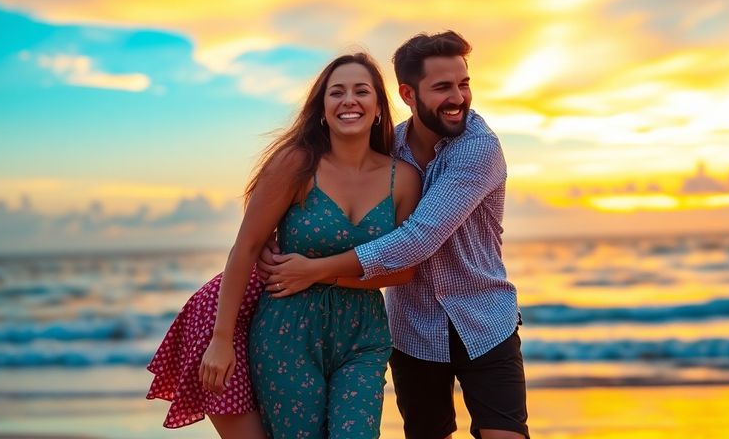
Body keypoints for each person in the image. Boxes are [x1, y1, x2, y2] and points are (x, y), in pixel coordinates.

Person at [259, 31, 528, 439]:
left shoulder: (478, 148)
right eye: (442, 87)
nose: (458, 97)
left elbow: (417, 239)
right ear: (407, 93)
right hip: (414, 329)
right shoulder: (390, 147)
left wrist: (314, 270)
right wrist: (271, 233)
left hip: (483, 320)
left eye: (464, 84)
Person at [146, 52, 421, 439]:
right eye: (336, 93)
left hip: (364, 334)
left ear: (377, 107)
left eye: (362, 91)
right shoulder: (296, 164)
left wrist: (316, 275)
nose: (349, 101)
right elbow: (246, 248)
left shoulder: (404, 179)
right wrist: (221, 340)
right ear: (322, 110)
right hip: (286, 331)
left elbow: (404, 270)